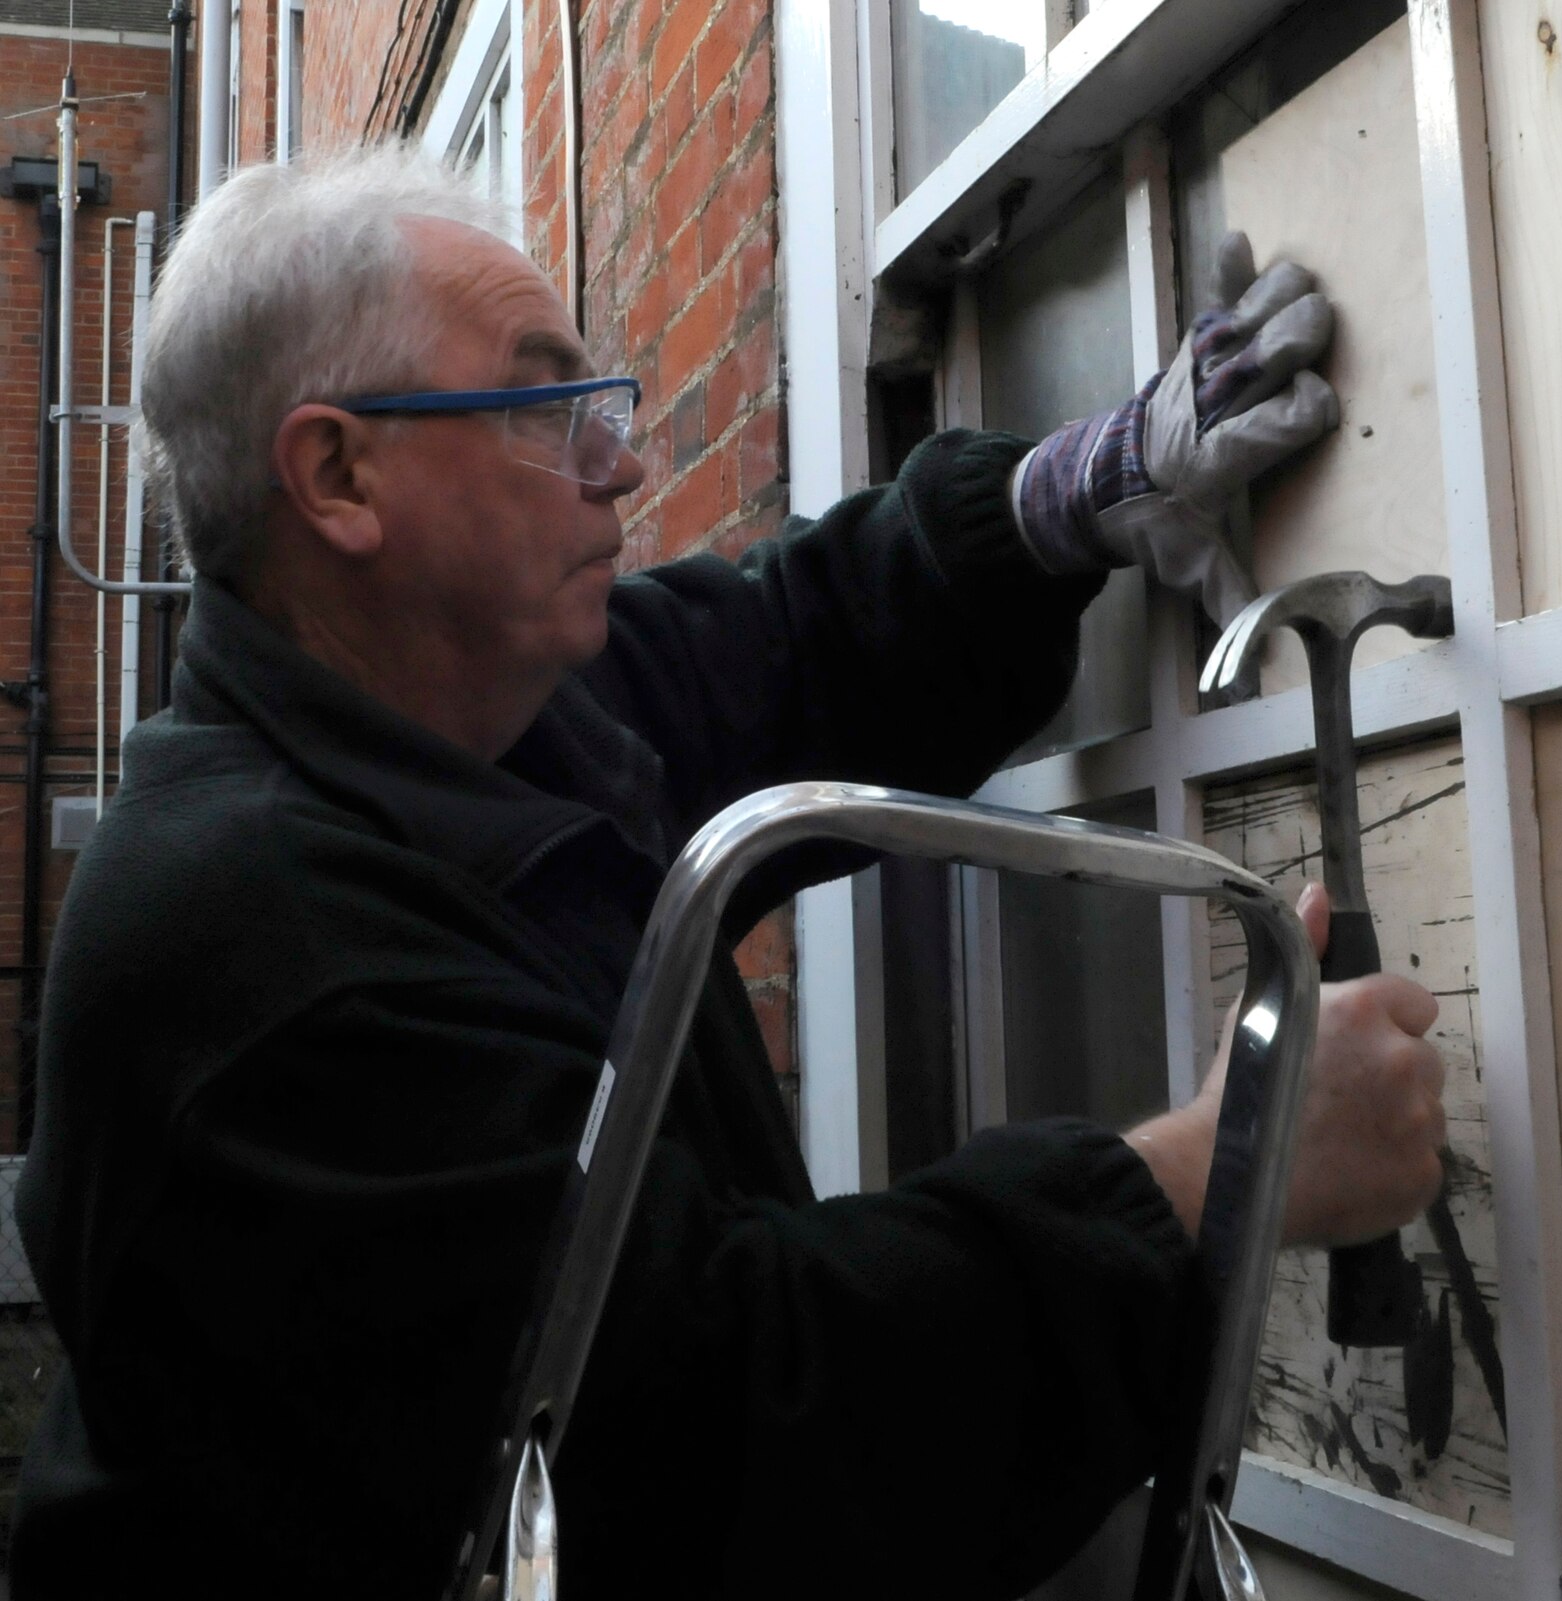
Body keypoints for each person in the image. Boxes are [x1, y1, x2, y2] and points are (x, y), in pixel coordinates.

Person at [12, 145, 1445, 1598]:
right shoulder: (258, 952)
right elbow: (720, 1442)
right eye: (543, 402)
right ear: (337, 473)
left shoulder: (474, 722)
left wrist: (1068, 494)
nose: (618, 459)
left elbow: (779, 653)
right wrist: (1214, 1170)